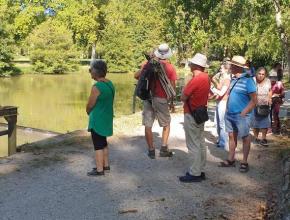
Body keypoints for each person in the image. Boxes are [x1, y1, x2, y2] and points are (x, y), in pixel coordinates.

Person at [134, 43, 177, 159]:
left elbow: (136, 75)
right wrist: (171, 102)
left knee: (148, 125)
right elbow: (172, 87)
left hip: (148, 98)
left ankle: (151, 150)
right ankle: (163, 148)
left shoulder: (148, 64)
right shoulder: (170, 68)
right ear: (168, 54)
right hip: (161, 98)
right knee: (166, 124)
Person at [219, 55, 257, 173]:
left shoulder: (248, 80)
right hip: (230, 114)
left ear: (237, 67)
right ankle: (231, 159)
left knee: (245, 138)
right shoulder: (233, 79)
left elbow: (254, 100)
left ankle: (244, 162)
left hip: (241, 116)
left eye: (232, 65)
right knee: (231, 136)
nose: (230, 67)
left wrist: (244, 112)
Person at [179, 53, 210, 183]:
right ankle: (200, 169)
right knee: (201, 142)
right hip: (200, 113)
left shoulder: (196, 79)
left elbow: (183, 97)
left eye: (191, 63)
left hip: (191, 114)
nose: (190, 65)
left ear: (196, 65)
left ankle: (194, 173)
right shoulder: (207, 77)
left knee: (193, 144)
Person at [86, 60, 115, 176]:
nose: (90, 72)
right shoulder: (110, 84)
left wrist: (87, 111)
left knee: (97, 145)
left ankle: (99, 170)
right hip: (107, 118)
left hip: (97, 120)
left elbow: (90, 105)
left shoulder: (96, 87)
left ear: (96, 71)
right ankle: (105, 165)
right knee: (103, 142)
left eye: (90, 70)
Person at [210, 61, 231, 150]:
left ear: (226, 69)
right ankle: (220, 140)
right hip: (219, 101)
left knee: (222, 123)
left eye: (222, 68)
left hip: (223, 102)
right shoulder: (223, 78)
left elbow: (222, 92)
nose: (220, 69)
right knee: (217, 122)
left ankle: (223, 142)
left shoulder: (227, 80)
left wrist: (212, 89)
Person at [251, 67, 272, 146]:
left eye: (263, 74)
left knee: (265, 122)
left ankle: (264, 138)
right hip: (254, 104)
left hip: (265, 105)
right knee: (255, 122)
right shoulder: (252, 80)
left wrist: (269, 99)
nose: (261, 75)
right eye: (259, 74)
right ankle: (256, 137)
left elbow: (270, 91)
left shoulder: (268, 81)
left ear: (265, 74)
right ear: (256, 73)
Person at [271, 68, 285, 134]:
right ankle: (270, 128)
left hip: (277, 101)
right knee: (268, 115)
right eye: (271, 77)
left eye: (274, 77)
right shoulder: (267, 83)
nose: (272, 79)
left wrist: (278, 95)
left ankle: (277, 129)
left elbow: (283, 93)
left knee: (276, 115)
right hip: (269, 101)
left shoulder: (279, 84)